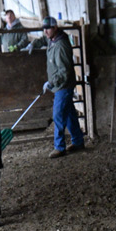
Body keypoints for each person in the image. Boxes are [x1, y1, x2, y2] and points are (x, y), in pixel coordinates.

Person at [38, 16, 85, 158]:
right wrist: (32, 44)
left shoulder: (61, 45)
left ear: (55, 27)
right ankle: (78, 142)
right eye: (44, 29)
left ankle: (59, 147)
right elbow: (43, 40)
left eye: (48, 28)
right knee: (70, 114)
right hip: (59, 85)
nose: (46, 31)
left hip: (63, 86)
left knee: (58, 115)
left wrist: (52, 82)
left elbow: (65, 70)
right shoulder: (52, 40)